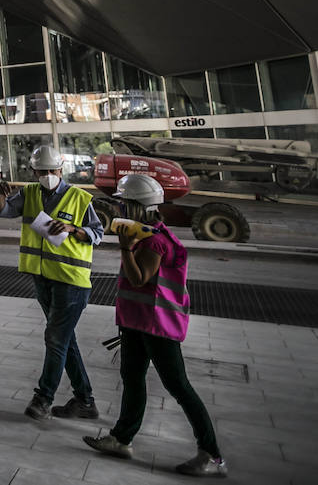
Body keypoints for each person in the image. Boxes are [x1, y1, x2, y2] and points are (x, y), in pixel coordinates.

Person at [84, 174, 228, 477]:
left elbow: (139, 279)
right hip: (137, 323)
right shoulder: (146, 235)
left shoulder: (156, 241)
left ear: (140, 207)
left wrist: (125, 247)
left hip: (157, 326)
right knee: (132, 377)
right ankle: (121, 439)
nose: (121, 210)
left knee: (178, 386)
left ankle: (212, 454)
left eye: (124, 204)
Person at [0, 144, 104, 420]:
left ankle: (43, 398)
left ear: (60, 169)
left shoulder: (80, 198)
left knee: (55, 339)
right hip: (42, 278)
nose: (47, 175)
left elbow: (97, 233)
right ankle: (85, 401)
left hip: (71, 281)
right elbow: (3, 211)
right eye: (41, 171)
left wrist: (72, 229)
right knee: (64, 341)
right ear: (33, 172)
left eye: (51, 170)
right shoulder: (29, 194)